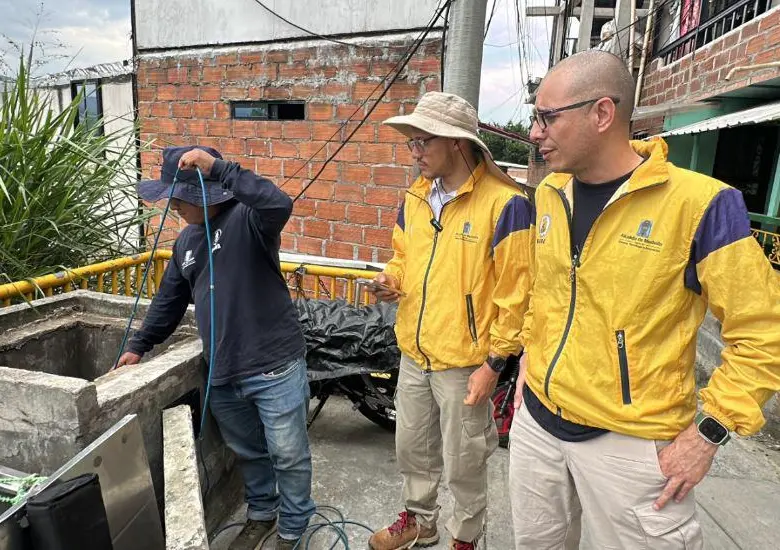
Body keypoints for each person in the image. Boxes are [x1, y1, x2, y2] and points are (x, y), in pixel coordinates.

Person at [510, 49, 780, 549]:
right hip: (538, 428)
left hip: (632, 448)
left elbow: (765, 333)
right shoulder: (551, 193)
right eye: (535, 118)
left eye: (547, 117)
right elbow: (546, 294)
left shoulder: (701, 205)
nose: (534, 132)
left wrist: (710, 432)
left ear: (602, 113)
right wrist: (530, 354)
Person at [117, 145, 315, 550]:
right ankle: (262, 513)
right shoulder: (186, 242)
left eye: (177, 197)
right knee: (249, 451)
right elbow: (168, 301)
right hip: (223, 371)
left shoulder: (249, 219)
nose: (172, 206)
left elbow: (279, 203)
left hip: (274, 365)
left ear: (200, 194)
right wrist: (138, 345)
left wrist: (220, 169)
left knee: (289, 454)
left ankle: (293, 528)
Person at [367, 92, 535, 550]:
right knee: (412, 449)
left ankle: (466, 537)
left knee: (465, 460)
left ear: (457, 143)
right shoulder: (416, 198)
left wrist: (495, 364)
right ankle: (420, 522)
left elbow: (515, 296)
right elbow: (404, 258)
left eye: (424, 141)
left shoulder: (505, 205)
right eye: (412, 143)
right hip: (414, 352)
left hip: (466, 363)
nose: (415, 151)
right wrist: (390, 279)